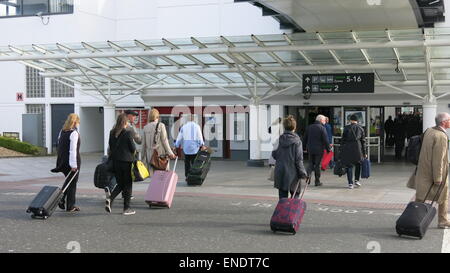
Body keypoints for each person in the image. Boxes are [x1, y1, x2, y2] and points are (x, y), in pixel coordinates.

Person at [408, 112, 450, 229]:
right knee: (443, 195)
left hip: (423, 170)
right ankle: (443, 220)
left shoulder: (429, 131)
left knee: (421, 196)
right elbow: (438, 159)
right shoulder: (441, 136)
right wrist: (438, 177)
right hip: (434, 172)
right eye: (449, 120)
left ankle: (413, 219)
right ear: (444, 122)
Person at [105, 113, 137, 216]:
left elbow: (111, 147)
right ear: (125, 122)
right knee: (127, 184)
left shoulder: (112, 133)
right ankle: (126, 208)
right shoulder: (127, 133)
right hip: (126, 162)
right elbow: (133, 148)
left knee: (120, 183)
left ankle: (110, 198)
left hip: (116, 162)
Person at [272, 115, 308, 199]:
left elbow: (274, 155)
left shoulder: (278, 140)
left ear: (284, 127)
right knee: (295, 193)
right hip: (293, 172)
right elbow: (299, 160)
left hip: (280, 171)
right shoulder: (297, 141)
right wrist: (303, 174)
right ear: (294, 127)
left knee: (282, 196)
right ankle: (292, 211)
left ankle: (282, 211)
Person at [51, 113, 81, 212]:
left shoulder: (62, 131)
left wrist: (60, 161)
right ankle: (69, 205)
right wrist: (74, 165)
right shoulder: (74, 133)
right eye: (78, 122)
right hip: (71, 161)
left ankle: (62, 199)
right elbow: (73, 150)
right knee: (72, 183)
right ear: (75, 122)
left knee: (69, 181)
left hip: (63, 161)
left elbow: (60, 147)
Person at [142, 109, 176, 176]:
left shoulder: (145, 127)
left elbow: (143, 144)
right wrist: (171, 153)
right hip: (159, 156)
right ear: (157, 117)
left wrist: (142, 158)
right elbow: (165, 141)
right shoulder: (161, 125)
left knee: (153, 178)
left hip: (150, 157)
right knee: (161, 176)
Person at [303, 114, 331, 186]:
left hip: (310, 149)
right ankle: (317, 181)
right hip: (319, 150)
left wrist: (304, 148)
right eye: (324, 120)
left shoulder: (309, 127)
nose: (325, 121)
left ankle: (308, 177)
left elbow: (305, 138)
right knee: (317, 165)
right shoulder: (322, 128)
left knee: (310, 163)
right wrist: (328, 149)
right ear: (321, 120)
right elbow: (326, 140)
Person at [175, 115, 205, 180]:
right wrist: (202, 144)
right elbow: (200, 137)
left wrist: (176, 145)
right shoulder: (197, 126)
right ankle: (194, 176)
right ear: (193, 119)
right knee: (195, 164)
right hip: (195, 149)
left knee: (187, 164)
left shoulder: (183, 127)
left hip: (186, 149)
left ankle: (187, 176)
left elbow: (179, 138)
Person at [341, 114, 367, 189]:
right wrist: (364, 153)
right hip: (358, 149)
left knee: (349, 166)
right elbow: (363, 142)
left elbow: (343, 140)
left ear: (350, 120)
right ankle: (357, 180)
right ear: (357, 120)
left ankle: (350, 183)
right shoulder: (361, 128)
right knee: (358, 164)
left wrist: (341, 150)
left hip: (348, 149)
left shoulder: (346, 128)